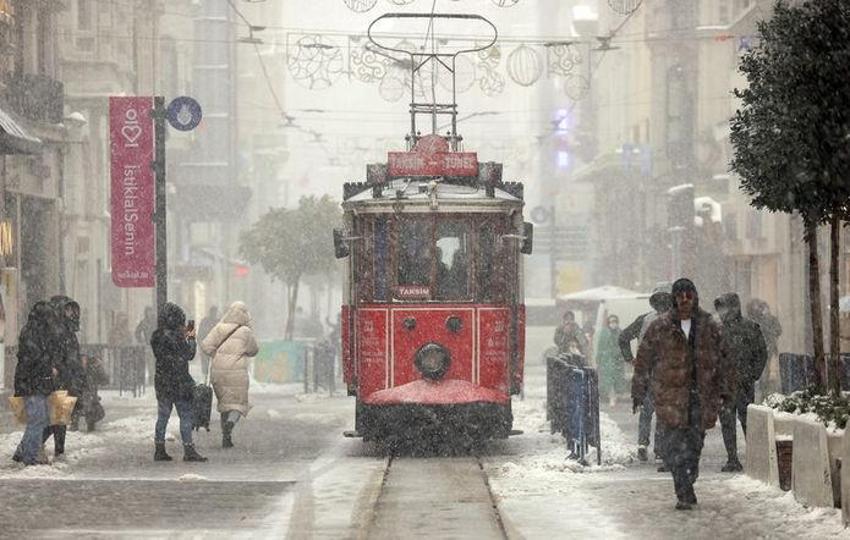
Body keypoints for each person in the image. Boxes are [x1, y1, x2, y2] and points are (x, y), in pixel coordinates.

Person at [632, 278, 733, 510]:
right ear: (674, 299)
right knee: (673, 448)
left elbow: (725, 360)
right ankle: (684, 489)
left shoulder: (709, 325)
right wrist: (638, 390)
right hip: (670, 398)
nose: (685, 301)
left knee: (694, 445)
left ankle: (688, 478)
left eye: (689, 295)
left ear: (695, 297)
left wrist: (726, 390)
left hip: (700, 397)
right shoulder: (660, 326)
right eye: (680, 296)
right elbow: (644, 359)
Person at [619, 286, 673, 462]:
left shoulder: (644, 319)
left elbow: (623, 337)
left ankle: (642, 444)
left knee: (646, 409)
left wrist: (630, 358)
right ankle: (659, 450)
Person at [715, 293, 768, 472]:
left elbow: (761, 353)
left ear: (734, 307)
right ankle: (732, 458)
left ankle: (753, 458)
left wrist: (752, 375)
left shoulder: (750, 327)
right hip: (724, 385)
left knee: (747, 420)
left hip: (743, 384)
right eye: (720, 309)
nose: (723, 312)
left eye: (725, 308)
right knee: (727, 422)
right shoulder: (717, 331)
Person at [151, 302, 206, 462]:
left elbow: (162, 355)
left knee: (163, 417)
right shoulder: (178, 337)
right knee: (185, 416)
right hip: (179, 382)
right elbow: (189, 354)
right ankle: (189, 449)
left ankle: (159, 448)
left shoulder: (157, 336)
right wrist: (191, 338)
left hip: (162, 381)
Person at [202, 301, 259, 449]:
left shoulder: (219, 327)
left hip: (218, 371)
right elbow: (254, 350)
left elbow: (205, 346)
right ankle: (230, 424)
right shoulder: (245, 331)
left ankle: (226, 438)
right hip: (237, 372)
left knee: (225, 404)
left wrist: (217, 354)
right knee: (238, 405)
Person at [12, 302, 58, 465]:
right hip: (32, 383)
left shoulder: (37, 332)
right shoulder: (33, 333)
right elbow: (34, 358)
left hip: (34, 382)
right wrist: (49, 368)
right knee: (37, 419)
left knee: (40, 419)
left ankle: (26, 450)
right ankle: (29, 456)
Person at [42, 296, 84, 459]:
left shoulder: (67, 330)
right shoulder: (57, 331)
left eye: (72, 310)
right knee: (58, 417)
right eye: (67, 309)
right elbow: (57, 354)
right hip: (60, 378)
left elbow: (71, 355)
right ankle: (51, 448)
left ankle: (56, 449)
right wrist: (59, 369)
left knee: (60, 417)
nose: (71, 313)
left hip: (67, 377)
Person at [595, 315, 625, 407]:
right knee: (609, 380)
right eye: (611, 322)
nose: (613, 323)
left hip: (618, 360)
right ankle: (611, 397)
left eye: (615, 321)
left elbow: (624, 345)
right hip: (607, 360)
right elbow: (600, 347)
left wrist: (623, 355)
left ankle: (615, 396)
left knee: (617, 380)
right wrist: (598, 359)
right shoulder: (604, 333)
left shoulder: (620, 332)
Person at [76, 354, 109, 432]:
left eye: (85, 359)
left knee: (92, 411)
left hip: (90, 395)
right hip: (79, 394)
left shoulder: (92, 369)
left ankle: (90, 426)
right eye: (82, 360)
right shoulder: (76, 369)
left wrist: (99, 368)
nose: (83, 361)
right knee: (81, 410)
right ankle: (76, 426)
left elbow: (104, 381)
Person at [135, 306, 157, 384]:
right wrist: (141, 340)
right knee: (150, 362)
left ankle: (155, 377)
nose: (150, 313)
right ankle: (151, 378)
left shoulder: (156, 322)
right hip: (148, 345)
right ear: (146, 313)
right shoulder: (144, 322)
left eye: (151, 311)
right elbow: (137, 332)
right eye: (148, 312)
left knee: (155, 362)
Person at [198, 306, 219, 379]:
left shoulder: (205, 321)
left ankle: (206, 377)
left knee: (207, 364)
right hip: (211, 346)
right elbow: (200, 334)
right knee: (208, 364)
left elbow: (200, 334)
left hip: (209, 346)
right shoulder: (216, 322)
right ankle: (207, 377)